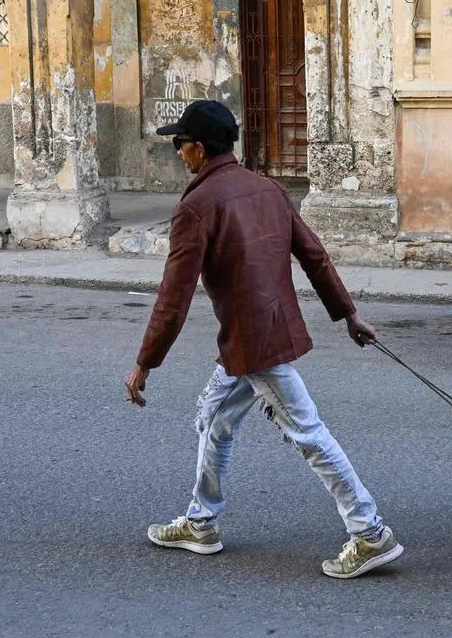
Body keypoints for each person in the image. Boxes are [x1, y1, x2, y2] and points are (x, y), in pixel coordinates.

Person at [123, 99, 403, 580]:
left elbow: (173, 299)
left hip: (255, 344)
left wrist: (145, 363)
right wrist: (349, 314)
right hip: (255, 335)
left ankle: (370, 533)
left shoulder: (196, 207)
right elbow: (315, 256)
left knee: (308, 435)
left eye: (179, 144)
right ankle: (200, 521)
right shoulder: (266, 188)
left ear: (198, 147)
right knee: (213, 417)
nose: (178, 154)